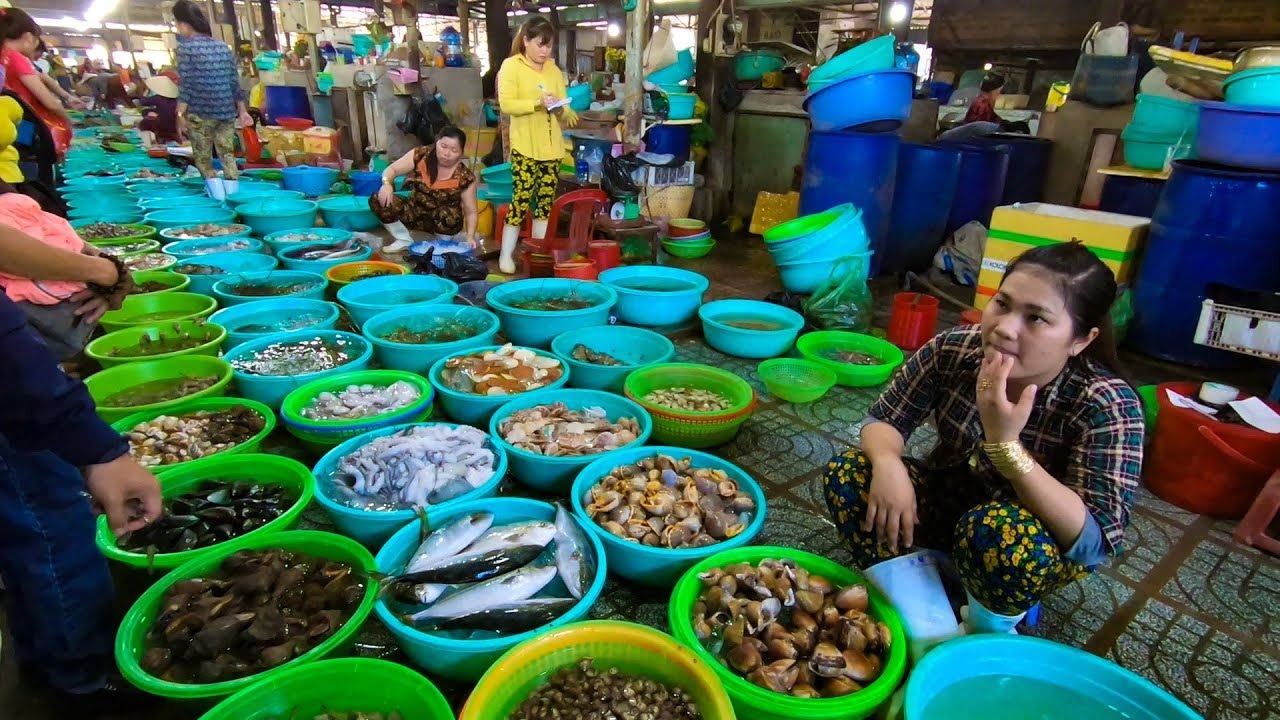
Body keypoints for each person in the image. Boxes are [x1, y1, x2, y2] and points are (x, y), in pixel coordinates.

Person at [823, 241, 1144, 634]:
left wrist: (1006, 447)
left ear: (1081, 339)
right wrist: (888, 463)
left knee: (1001, 535)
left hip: (1023, 538)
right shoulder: (953, 349)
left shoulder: (1107, 403)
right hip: (949, 503)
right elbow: (884, 419)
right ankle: (921, 615)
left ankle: (985, 631)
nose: (1005, 328)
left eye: (1036, 318)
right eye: (1002, 304)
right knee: (851, 473)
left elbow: (1093, 541)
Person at [0, 222, 162, 709]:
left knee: (25, 530)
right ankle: (82, 675)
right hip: (14, 395)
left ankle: (46, 657)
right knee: (52, 527)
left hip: (19, 386)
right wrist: (98, 450)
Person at [496, 16, 578, 274]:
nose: (545, 51)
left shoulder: (554, 70)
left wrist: (563, 110)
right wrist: (537, 103)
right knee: (521, 199)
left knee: (544, 203)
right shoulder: (511, 66)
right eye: (540, 45)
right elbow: (507, 104)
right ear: (526, 41)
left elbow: (564, 105)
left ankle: (539, 256)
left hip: (551, 148)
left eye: (549, 46)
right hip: (525, 146)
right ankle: (506, 256)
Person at [171, 0, 252, 201]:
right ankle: (234, 198)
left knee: (203, 158)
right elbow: (234, 82)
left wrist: (180, 114)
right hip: (225, 112)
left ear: (183, 24)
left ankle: (218, 200)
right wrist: (242, 110)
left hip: (200, 113)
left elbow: (187, 85)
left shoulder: (185, 49)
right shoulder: (223, 47)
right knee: (227, 154)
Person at [370, 125, 479, 253]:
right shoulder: (421, 155)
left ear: (461, 153)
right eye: (443, 146)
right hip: (414, 212)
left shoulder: (465, 177)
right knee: (378, 198)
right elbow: (392, 169)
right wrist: (387, 184)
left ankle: (440, 246)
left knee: (451, 215)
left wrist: (470, 237)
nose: (446, 153)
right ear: (437, 142)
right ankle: (403, 239)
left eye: (454, 150)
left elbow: (471, 211)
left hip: (441, 221)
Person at [0, 9, 72, 158]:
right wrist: (68, 122)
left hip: (9, 124)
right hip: (23, 123)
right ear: (28, 36)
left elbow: (42, 77)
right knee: (30, 159)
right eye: (37, 38)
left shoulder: (3, 55)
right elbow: (50, 103)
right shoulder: (17, 58)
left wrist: (67, 96)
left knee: (17, 154)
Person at [136, 73, 182, 145]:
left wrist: (146, 91)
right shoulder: (177, 100)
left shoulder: (159, 98)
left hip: (162, 126)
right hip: (173, 127)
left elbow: (142, 102)